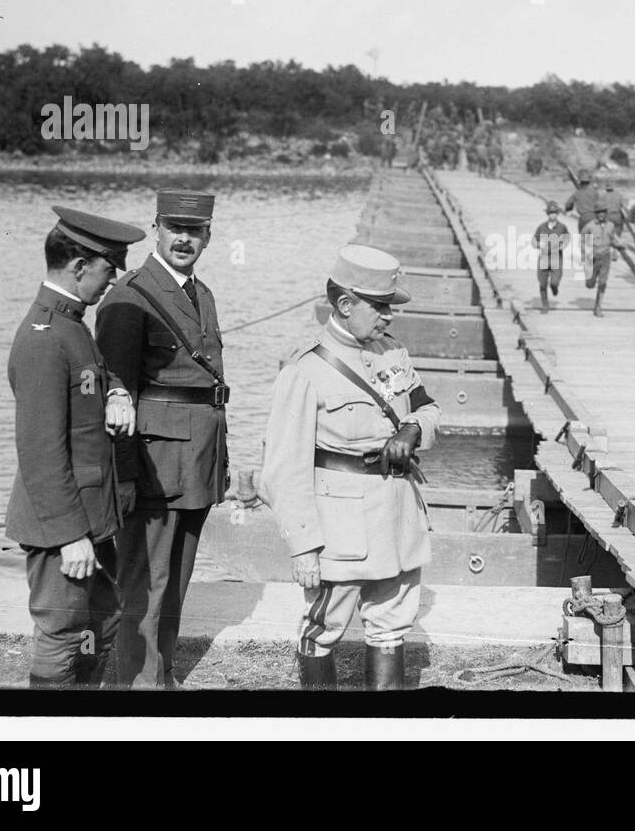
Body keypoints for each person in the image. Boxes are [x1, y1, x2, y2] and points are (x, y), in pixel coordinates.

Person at [259, 244, 441, 691]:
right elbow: (283, 469)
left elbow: (428, 406)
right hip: (340, 532)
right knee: (324, 629)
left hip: (397, 520)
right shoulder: (304, 372)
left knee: (392, 625)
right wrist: (302, 547)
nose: (389, 317)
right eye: (380, 306)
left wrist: (412, 430)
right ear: (345, 304)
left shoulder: (392, 352)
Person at [95, 189, 230, 688]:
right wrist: (125, 475)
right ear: (156, 228)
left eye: (194, 231)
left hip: (197, 464)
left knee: (174, 585)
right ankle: (135, 689)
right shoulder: (128, 298)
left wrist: (220, 462)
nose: (183, 239)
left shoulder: (203, 294)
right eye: (175, 228)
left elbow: (207, 389)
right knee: (144, 587)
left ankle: (162, 678)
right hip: (152, 468)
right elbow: (115, 397)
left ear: (208, 237)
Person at [6, 206, 145, 688]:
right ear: (79, 265)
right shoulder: (45, 337)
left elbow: (96, 373)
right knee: (64, 632)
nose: (112, 281)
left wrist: (115, 393)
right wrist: (69, 536)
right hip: (61, 525)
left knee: (101, 622)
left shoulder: (70, 324)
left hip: (87, 516)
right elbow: (40, 452)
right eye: (108, 269)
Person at [582, 199, 621, 318]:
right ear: (596, 213)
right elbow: (583, 241)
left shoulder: (611, 225)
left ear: (606, 213)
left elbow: (613, 239)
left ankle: (598, 307)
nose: (601, 214)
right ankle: (589, 279)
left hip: (605, 257)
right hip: (592, 257)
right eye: (599, 212)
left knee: (603, 282)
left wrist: (616, 249)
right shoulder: (589, 226)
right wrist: (586, 256)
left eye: (603, 212)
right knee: (590, 284)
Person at [532, 200, 571, 313]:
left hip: (556, 259)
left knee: (554, 282)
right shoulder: (542, 227)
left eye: (554, 213)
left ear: (557, 214)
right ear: (547, 214)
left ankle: (554, 288)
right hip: (544, 258)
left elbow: (567, 237)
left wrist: (563, 245)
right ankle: (545, 305)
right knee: (542, 283)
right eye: (550, 213)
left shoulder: (562, 227)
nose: (552, 215)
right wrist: (537, 244)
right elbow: (534, 239)